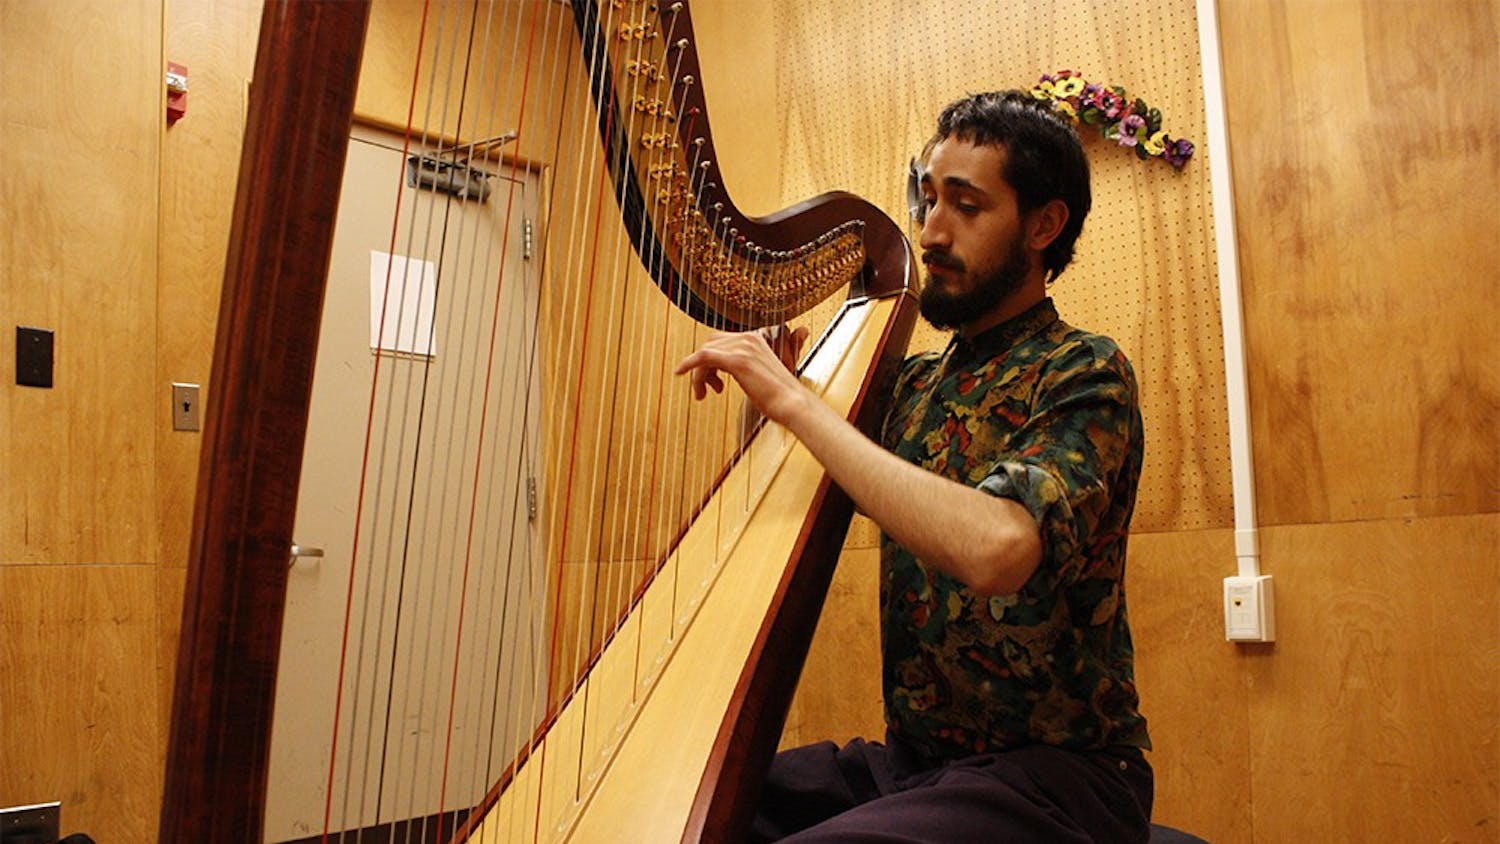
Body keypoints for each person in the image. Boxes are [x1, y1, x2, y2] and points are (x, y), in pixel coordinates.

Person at [674, 90, 1151, 843]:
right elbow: (816, 482)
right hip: (915, 765)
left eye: (965, 206)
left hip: (1060, 776)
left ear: (1043, 226)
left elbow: (1000, 548)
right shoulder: (913, 384)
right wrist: (771, 400)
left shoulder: (1084, 372)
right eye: (929, 200)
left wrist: (801, 409)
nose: (929, 232)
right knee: (685, 809)